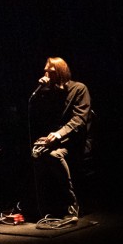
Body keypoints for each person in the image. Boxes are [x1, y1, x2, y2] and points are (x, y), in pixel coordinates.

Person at [29, 56, 93, 222]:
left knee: (54, 155)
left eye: (50, 72)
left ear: (60, 72)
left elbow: (79, 120)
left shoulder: (79, 89)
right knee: (36, 153)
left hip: (77, 141)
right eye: (45, 71)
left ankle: (72, 203)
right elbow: (43, 118)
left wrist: (58, 134)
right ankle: (46, 207)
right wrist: (42, 94)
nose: (46, 75)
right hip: (58, 140)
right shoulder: (49, 93)